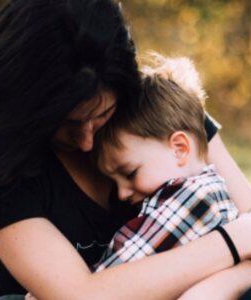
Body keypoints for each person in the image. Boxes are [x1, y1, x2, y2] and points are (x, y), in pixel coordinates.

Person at [0, 0, 251, 299]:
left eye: (102, 114)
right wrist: (233, 242)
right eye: (67, 123)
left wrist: (216, 287)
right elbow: (78, 296)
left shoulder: (159, 114)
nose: (87, 141)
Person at [92, 54, 239, 271]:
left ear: (180, 149)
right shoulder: (208, 190)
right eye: (114, 182)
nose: (122, 194)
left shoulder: (194, 198)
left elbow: (119, 272)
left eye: (130, 173)